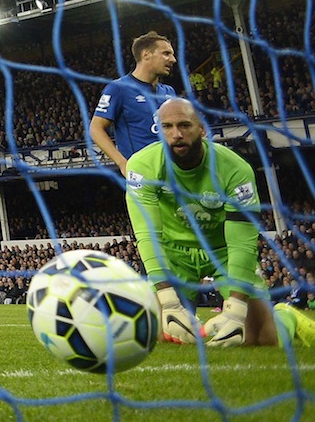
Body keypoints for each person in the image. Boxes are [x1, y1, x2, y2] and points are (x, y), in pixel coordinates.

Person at [125, 98, 315, 347]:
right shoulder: (142, 166)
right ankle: (182, 312)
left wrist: (236, 310)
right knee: (160, 335)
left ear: (202, 129)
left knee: (261, 338)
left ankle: (286, 316)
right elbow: (148, 234)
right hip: (173, 255)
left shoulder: (235, 170)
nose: (176, 134)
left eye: (184, 125)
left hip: (223, 251)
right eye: (167, 127)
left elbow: (241, 243)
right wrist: (168, 300)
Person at [90, 30, 178, 177]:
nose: (173, 59)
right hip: (143, 176)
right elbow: (95, 128)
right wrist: (122, 163)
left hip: (174, 173)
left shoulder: (169, 91)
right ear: (146, 55)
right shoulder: (118, 89)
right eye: (166, 54)